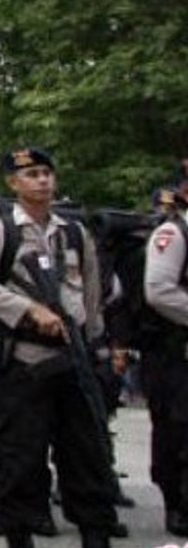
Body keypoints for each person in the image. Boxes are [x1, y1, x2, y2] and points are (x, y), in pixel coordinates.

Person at [0, 147, 120, 548]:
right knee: (20, 463)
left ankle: (95, 535)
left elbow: (92, 294)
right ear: (13, 183)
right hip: (25, 362)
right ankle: (19, 536)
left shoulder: (73, 232)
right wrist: (28, 310)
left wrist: (97, 344)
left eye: (47, 172)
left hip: (73, 361)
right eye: (31, 174)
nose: (42, 180)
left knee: (88, 459)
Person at [142, 186, 188, 537]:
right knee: (176, 432)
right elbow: (159, 290)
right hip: (175, 353)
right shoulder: (172, 233)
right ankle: (176, 504)